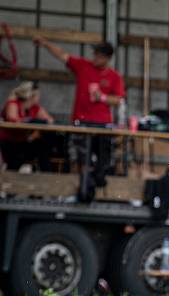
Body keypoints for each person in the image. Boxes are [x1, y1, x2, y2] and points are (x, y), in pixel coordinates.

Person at [33, 36, 125, 191]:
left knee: (103, 161)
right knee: (76, 158)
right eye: (95, 53)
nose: (95, 57)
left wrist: (101, 97)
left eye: (99, 55)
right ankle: (75, 189)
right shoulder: (83, 66)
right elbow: (62, 55)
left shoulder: (114, 76)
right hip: (80, 123)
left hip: (102, 125)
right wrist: (46, 44)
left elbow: (118, 100)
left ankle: (95, 189)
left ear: (108, 58)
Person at [0, 81, 55, 171]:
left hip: (23, 142)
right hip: (8, 142)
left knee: (44, 145)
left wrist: (35, 129)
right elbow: (13, 119)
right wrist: (31, 122)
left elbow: (50, 120)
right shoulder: (13, 103)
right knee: (17, 156)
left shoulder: (34, 107)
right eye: (37, 95)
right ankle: (11, 173)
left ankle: (47, 173)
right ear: (31, 96)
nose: (39, 98)